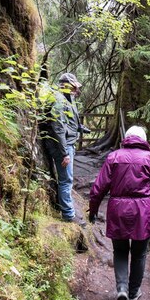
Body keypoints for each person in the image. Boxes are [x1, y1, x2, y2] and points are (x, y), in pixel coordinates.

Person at [88, 126, 150, 300]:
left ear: (126, 138)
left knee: (121, 251)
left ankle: (122, 288)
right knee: (139, 254)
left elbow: (98, 188)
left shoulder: (114, 157)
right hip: (142, 212)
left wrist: (93, 211)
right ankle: (133, 293)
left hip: (118, 210)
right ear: (143, 139)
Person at [41, 72, 88, 223]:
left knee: (66, 179)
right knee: (66, 180)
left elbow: (68, 121)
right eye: (74, 87)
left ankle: (69, 210)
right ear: (67, 86)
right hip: (63, 146)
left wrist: (80, 128)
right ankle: (68, 215)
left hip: (67, 144)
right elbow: (58, 127)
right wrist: (64, 153)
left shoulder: (67, 99)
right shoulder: (58, 100)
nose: (76, 90)